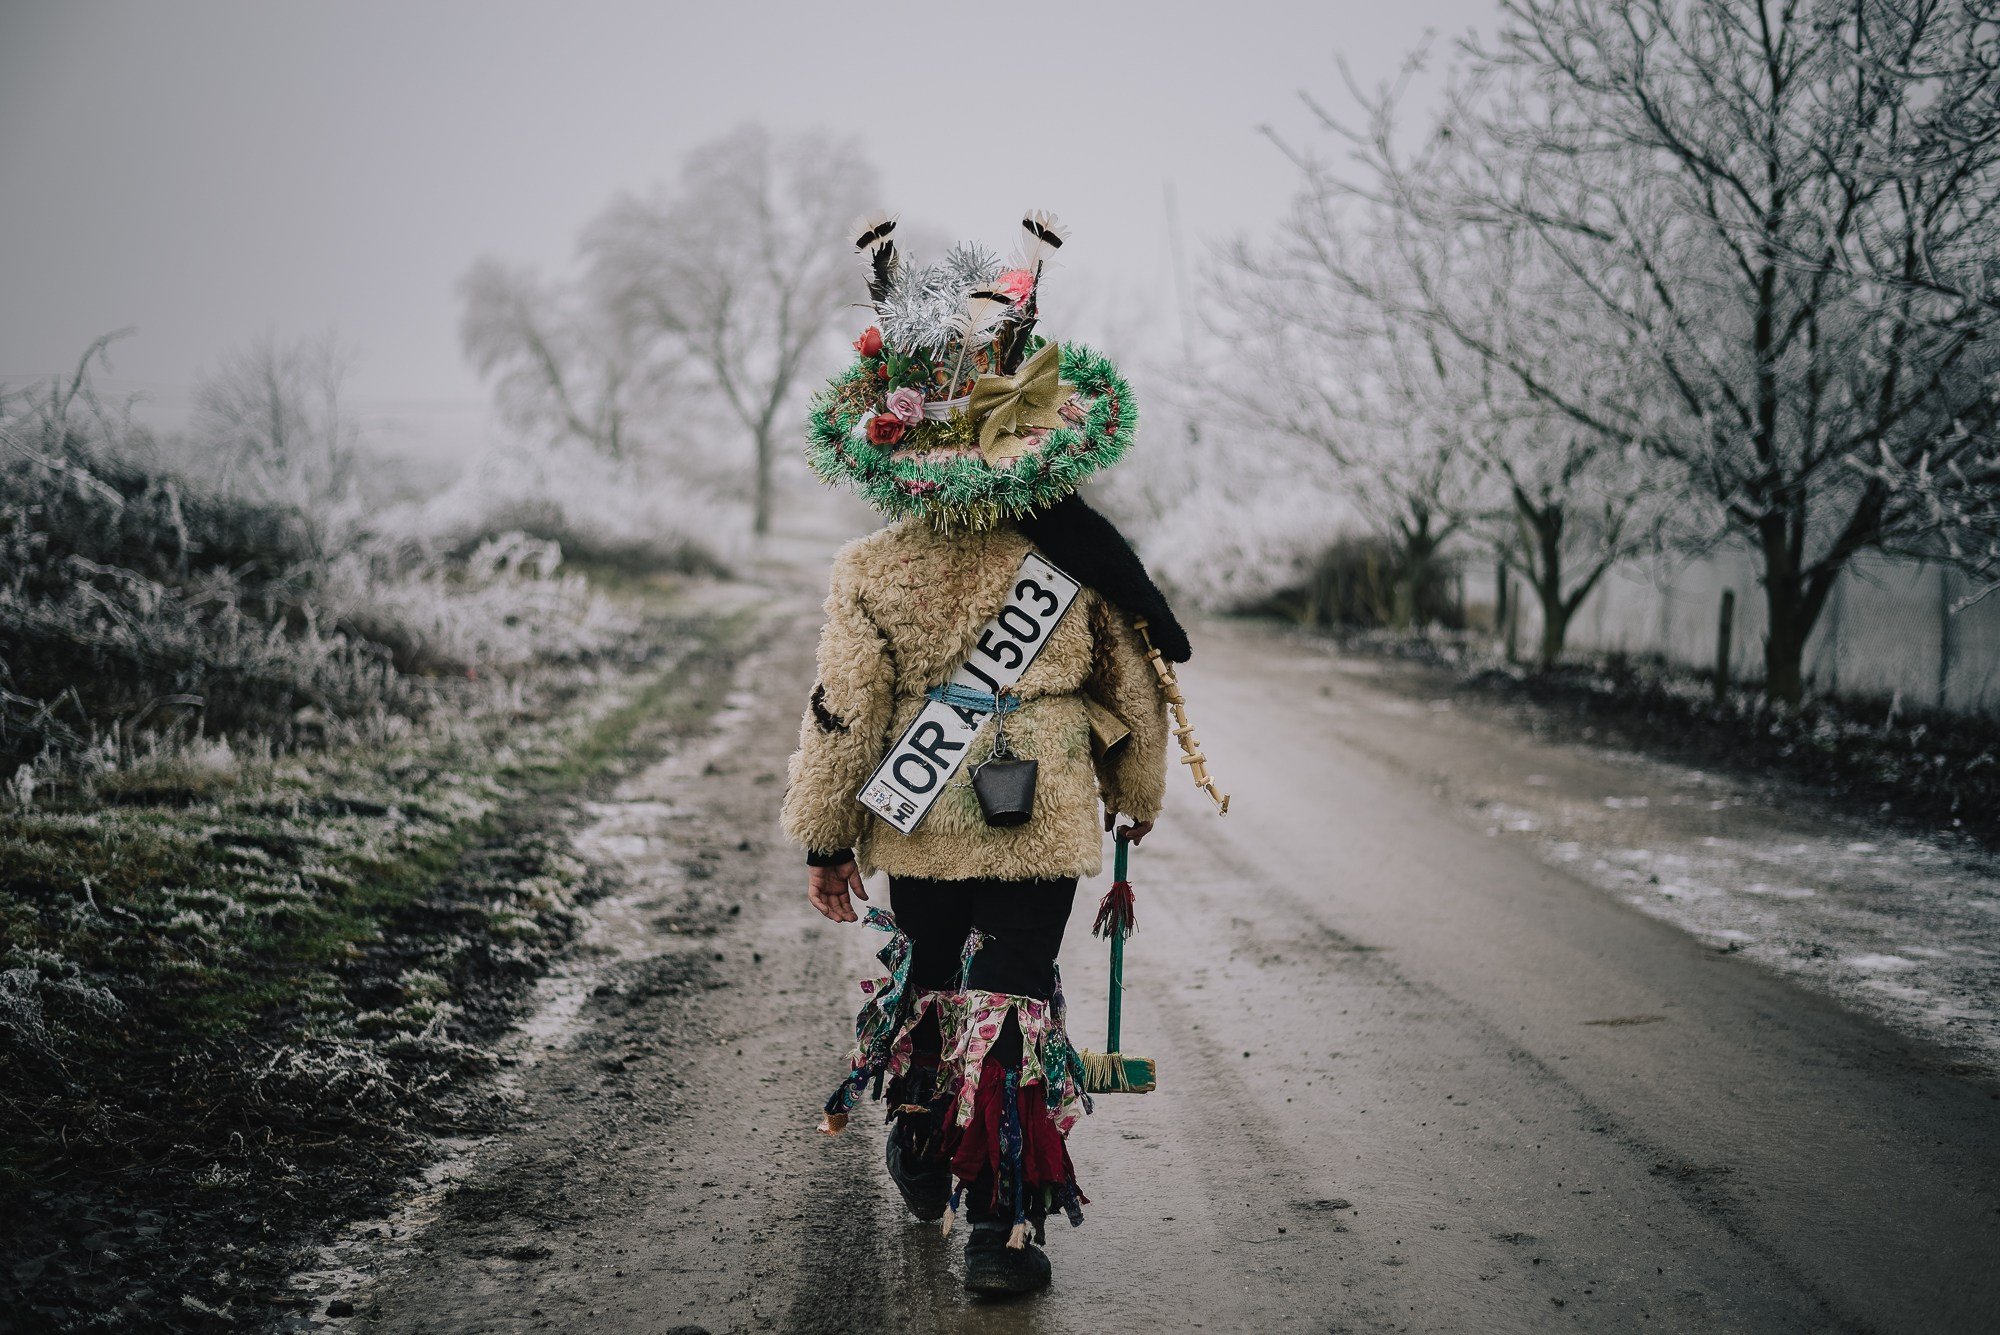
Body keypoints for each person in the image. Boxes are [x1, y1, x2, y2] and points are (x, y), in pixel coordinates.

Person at [780, 211, 1188, 1296]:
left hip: (914, 821)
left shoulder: (868, 568)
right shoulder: (1074, 555)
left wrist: (825, 838)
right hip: (1040, 813)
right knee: (1009, 994)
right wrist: (1136, 793)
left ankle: (920, 1148)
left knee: (922, 979)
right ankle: (1000, 1229)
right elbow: (1129, 686)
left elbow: (842, 713)